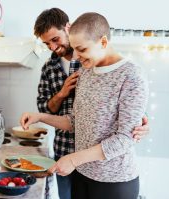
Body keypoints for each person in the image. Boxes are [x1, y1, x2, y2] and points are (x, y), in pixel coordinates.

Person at [34, 8, 149, 199]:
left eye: (82, 49)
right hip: (82, 174)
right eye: (75, 48)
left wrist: (73, 158)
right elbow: (74, 121)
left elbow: (125, 138)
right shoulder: (86, 72)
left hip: (114, 181)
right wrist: (39, 116)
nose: (77, 57)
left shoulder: (131, 75)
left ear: (103, 41)